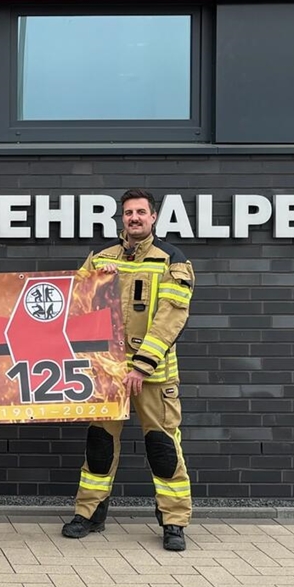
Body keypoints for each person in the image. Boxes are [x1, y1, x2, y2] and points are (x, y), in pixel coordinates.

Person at [61, 189, 195, 552]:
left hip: (153, 375)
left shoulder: (172, 260)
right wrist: (93, 282)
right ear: (123, 218)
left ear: (153, 217)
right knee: (100, 446)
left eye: (140, 212)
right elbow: (71, 304)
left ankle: (174, 522)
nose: (134, 218)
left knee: (163, 448)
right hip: (107, 373)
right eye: (128, 213)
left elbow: (171, 317)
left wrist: (142, 366)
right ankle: (89, 514)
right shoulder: (101, 257)